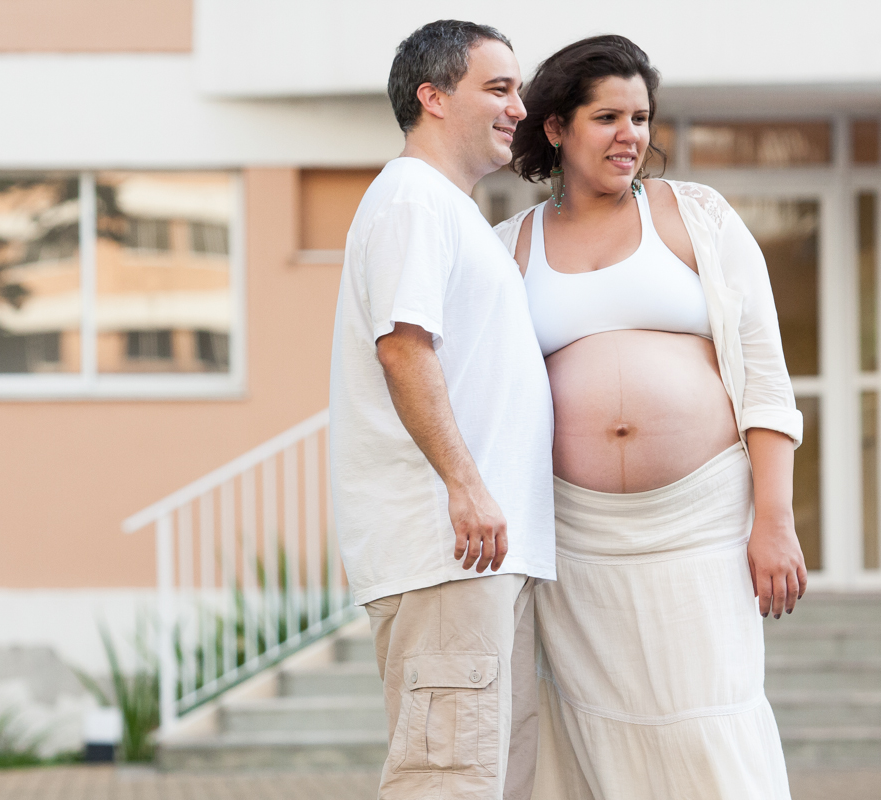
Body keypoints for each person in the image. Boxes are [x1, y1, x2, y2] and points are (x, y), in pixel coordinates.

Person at [494, 35, 805, 799]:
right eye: (607, 117)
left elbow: (763, 372)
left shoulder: (696, 216)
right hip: (579, 535)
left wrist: (776, 518)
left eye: (640, 116)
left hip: (701, 521)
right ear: (558, 127)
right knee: (597, 725)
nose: (630, 134)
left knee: (711, 718)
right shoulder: (510, 247)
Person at [329, 19, 555, 800]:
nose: (519, 108)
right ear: (433, 97)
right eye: (497, 88)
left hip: (486, 555)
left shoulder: (453, 211)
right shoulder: (411, 200)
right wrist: (466, 483)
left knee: (488, 775)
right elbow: (404, 349)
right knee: (447, 779)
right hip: (449, 550)